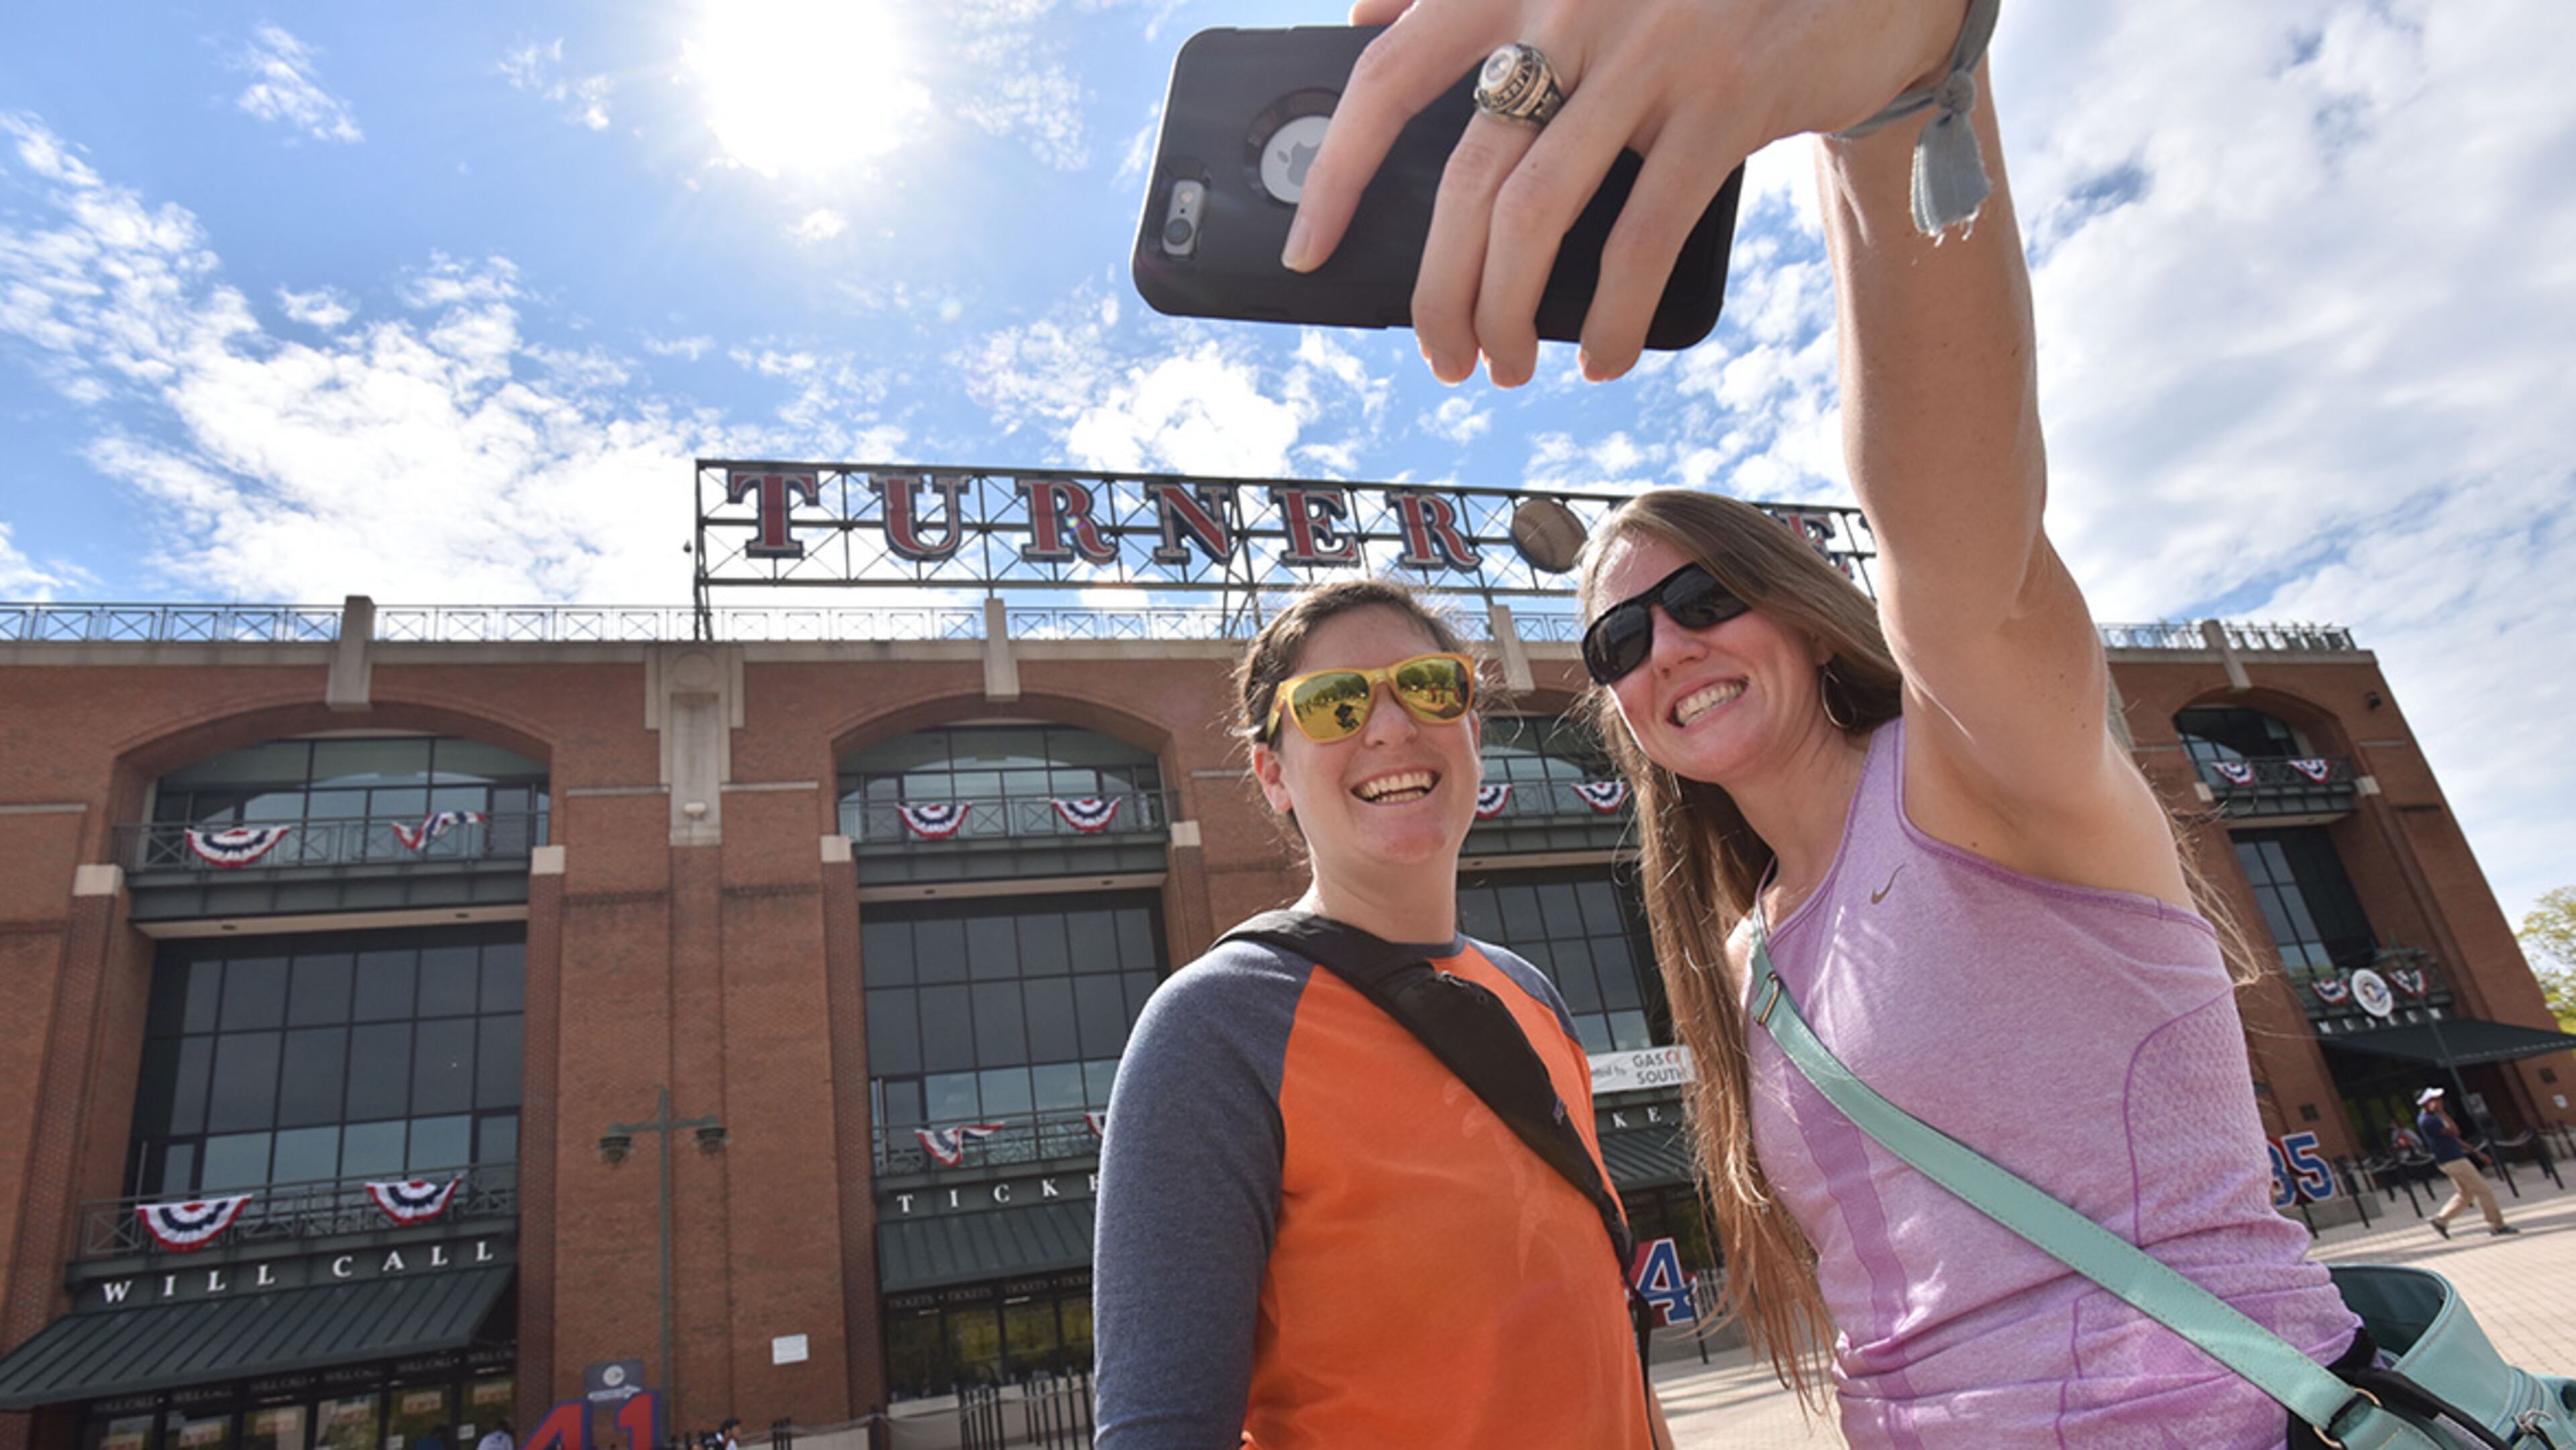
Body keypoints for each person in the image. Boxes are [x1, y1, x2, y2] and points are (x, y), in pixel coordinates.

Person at [1279, 1, 2375, 1445]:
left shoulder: (1974, 767)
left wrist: (1904, 93)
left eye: (1707, 596)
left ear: (1798, 609)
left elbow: (1955, 536)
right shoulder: (1743, 953)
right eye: (1619, 639)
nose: (1669, 645)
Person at [1091, 580, 1670, 1449]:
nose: (1392, 725)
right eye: (1334, 702)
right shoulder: (1216, 1029)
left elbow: (1601, 1329)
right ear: (1273, 773)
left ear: (1472, 728)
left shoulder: (1530, 996)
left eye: (1430, 684)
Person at [2418, 1087, 2516, 1239]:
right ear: (2426, 1103)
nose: (2440, 1102)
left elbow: (2454, 1139)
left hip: (2452, 1159)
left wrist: (2475, 1152)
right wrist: (2442, 1113)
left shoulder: (2432, 1118)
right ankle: (2497, 1225)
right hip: (2454, 1161)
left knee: (2466, 1194)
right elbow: (2455, 1132)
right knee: (2483, 1191)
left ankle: (2441, 1220)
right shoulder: (2428, 1120)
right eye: (2435, 1099)